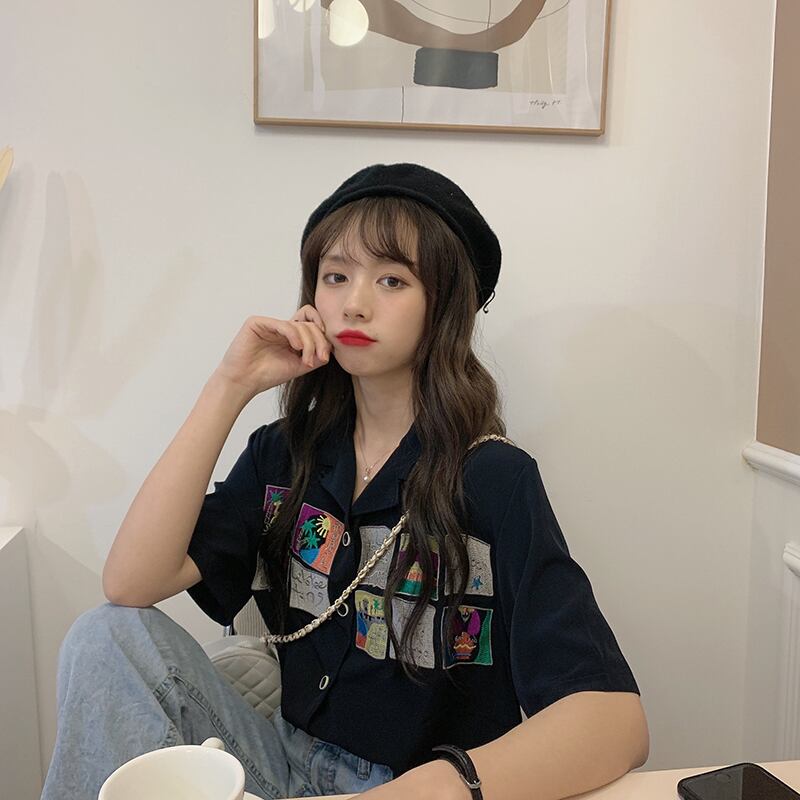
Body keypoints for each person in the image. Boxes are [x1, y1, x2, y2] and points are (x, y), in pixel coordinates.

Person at [42, 163, 649, 800]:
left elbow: (615, 721)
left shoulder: (493, 478)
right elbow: (132, 582)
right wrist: (231, 385)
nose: (354, 303)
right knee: (103, 636)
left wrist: (442, 787)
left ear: (443, 306)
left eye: (392, 280)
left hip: (413, 789)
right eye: (336, 277)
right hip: (281, 765)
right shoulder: (286, 454)